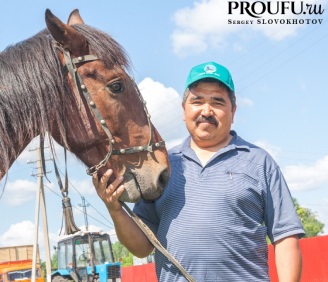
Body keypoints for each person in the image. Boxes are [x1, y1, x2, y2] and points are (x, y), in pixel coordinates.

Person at [93, 61, 304, 281]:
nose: (206, 110)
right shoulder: (161, 166)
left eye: (217, 101)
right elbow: (142, 248)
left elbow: (285, 237)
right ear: (184, 110)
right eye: (197, 101)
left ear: (233, 111)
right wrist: (115, 208)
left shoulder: (260, 162)